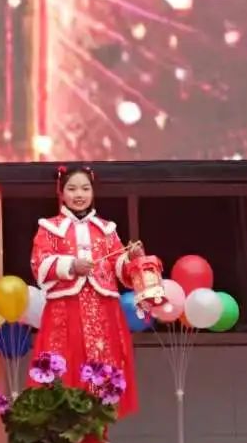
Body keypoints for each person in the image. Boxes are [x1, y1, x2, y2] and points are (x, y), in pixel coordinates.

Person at [29, 165, 159, 420]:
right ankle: (66, 429)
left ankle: (97, 428)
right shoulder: (49, 228)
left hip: (103, 311)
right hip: (65, 310)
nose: (79, 194)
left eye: (85, 189)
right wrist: (70, 265)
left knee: (103, 368)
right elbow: (39, 264)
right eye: (72, 189)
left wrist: (131, 258)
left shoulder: (106, 229)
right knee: (65, 364)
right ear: (61, 192)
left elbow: (119, 269)